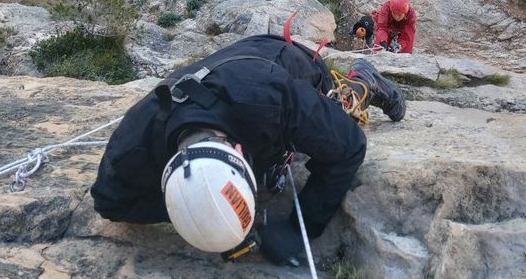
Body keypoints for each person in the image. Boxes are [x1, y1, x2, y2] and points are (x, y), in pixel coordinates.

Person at [91, 32, 405, 265]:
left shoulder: (272, 100)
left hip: (285, 59)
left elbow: (349, 147)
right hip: (231, 68)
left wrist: (301, 228)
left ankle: (362, 81)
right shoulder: (132, 147)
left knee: (329, 116)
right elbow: (108, 204)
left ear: (241, 151)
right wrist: (192, 210)